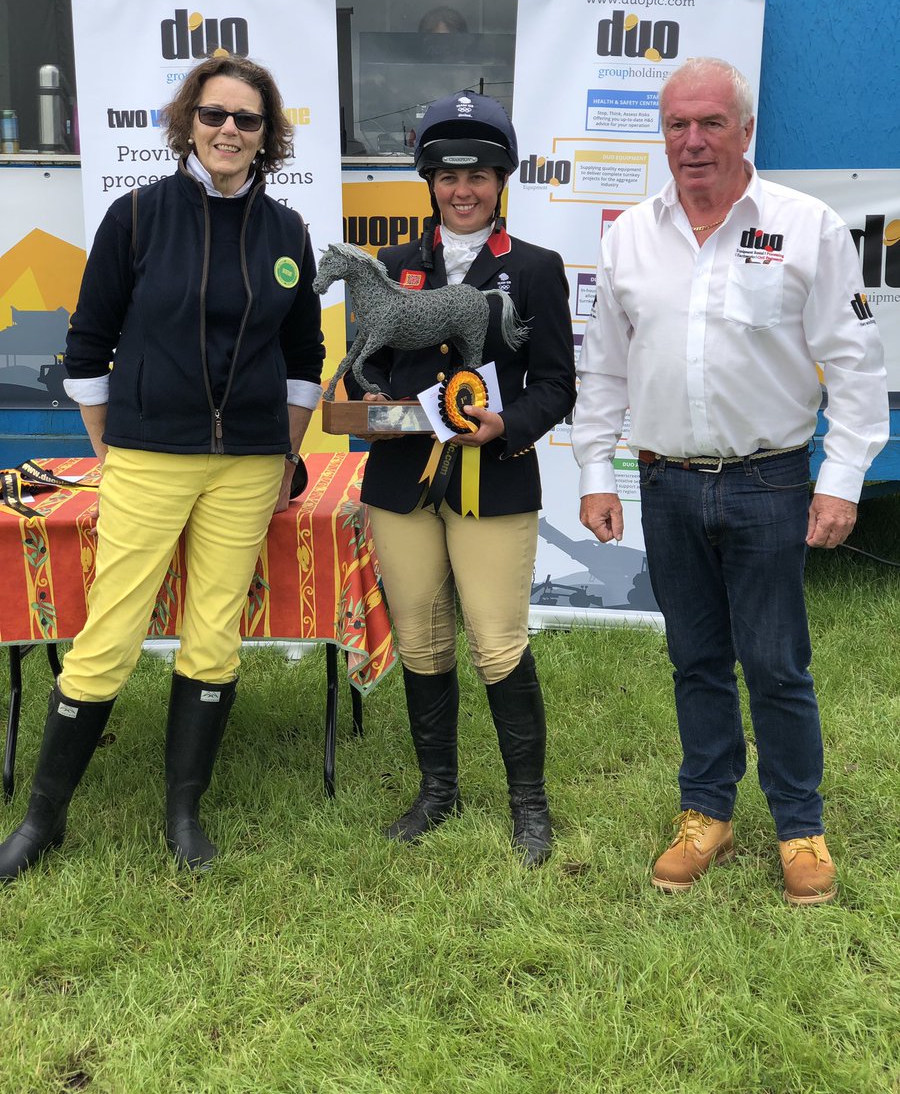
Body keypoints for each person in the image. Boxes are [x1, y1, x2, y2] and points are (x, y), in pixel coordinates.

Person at [0, 55, 324, 882]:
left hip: (247, 464)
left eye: (247, 120)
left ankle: (183, 814)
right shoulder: (137, 216)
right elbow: (89, 339)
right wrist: (112, 442)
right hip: (148, 457)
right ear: (188, 123)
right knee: (107, 636)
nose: (228, 131)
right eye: (214, 115)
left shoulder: (286, 232)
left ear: (266, 136)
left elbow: (303, 357)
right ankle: (44, 820)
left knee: (214, 636)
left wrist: (286, 450)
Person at [573, 57, 889, 905]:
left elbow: (856, 365)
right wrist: (597, 470)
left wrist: (845, 476)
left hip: (771, 482)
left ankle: (800, 825)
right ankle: (706, 811)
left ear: (746, 131)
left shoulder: (806, 225)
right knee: (695, 658)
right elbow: (603, 371)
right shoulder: (628, 236)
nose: (693, 141)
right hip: (666, 482)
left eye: (712, 123)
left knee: (777, 662)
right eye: (677, 125)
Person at [346, 91, 576, 867]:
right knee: (420, 635)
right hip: (402, 483)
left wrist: (507, 422)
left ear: (502, 179)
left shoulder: (535, 269)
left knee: (497, 639)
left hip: (495, 480)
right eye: (448, 175)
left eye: (479, 173)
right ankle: (437, 790)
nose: (463, 189)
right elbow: (366, 370)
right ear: (428, 181)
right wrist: (366, 399)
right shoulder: (389, 268)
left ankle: (529, 806)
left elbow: (556, 385)